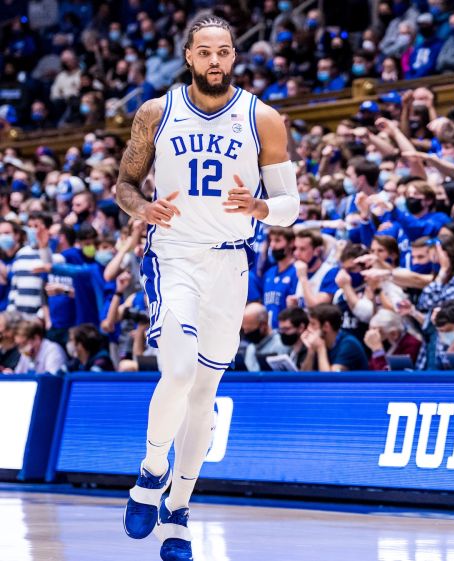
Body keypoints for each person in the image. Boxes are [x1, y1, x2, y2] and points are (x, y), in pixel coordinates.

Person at [115, 16, 299, 561]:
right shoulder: (156, 112)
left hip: (230, 266)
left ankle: (178, 512)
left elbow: (290, 207)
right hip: (173, 257)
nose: (214, 60)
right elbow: (124, 184)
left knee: (203, 396)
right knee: (176, 370)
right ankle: (151, 472)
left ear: (234, 57)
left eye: (224, 52)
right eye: (204, 52)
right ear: (189, 57)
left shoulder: (262, 118)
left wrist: (263, 206)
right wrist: (141, 207)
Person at [302, 303, 368, 372]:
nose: (308, 328)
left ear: (326, 326)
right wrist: (311, 351)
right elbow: (303, 378)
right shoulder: (319, 343)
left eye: (313, 324)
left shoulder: (349, 344)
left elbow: (330, 380)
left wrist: (320, 349)